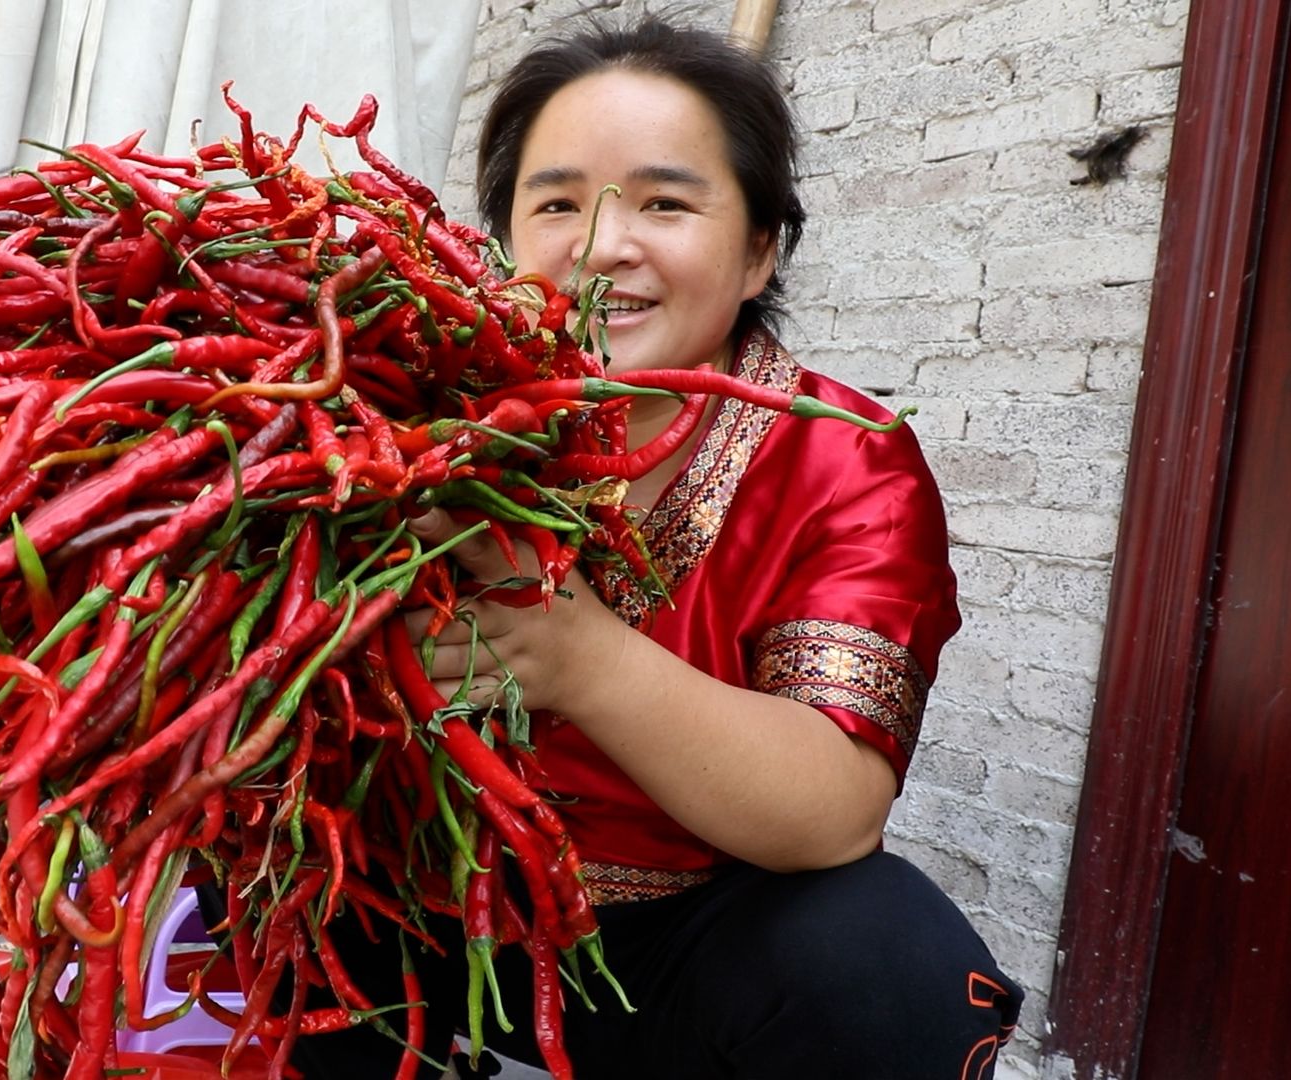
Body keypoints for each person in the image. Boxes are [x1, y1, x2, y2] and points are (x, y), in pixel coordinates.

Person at [291, 14, 1024, 1078]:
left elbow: (833, 811)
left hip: (681, 948)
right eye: (555, 204)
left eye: (666, 203)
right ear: (496, 242)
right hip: (405, 910)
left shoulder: (842, 460)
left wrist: (582, 661)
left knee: (886, 966)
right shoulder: (397, 414)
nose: (600, 248)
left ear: (761, 245)